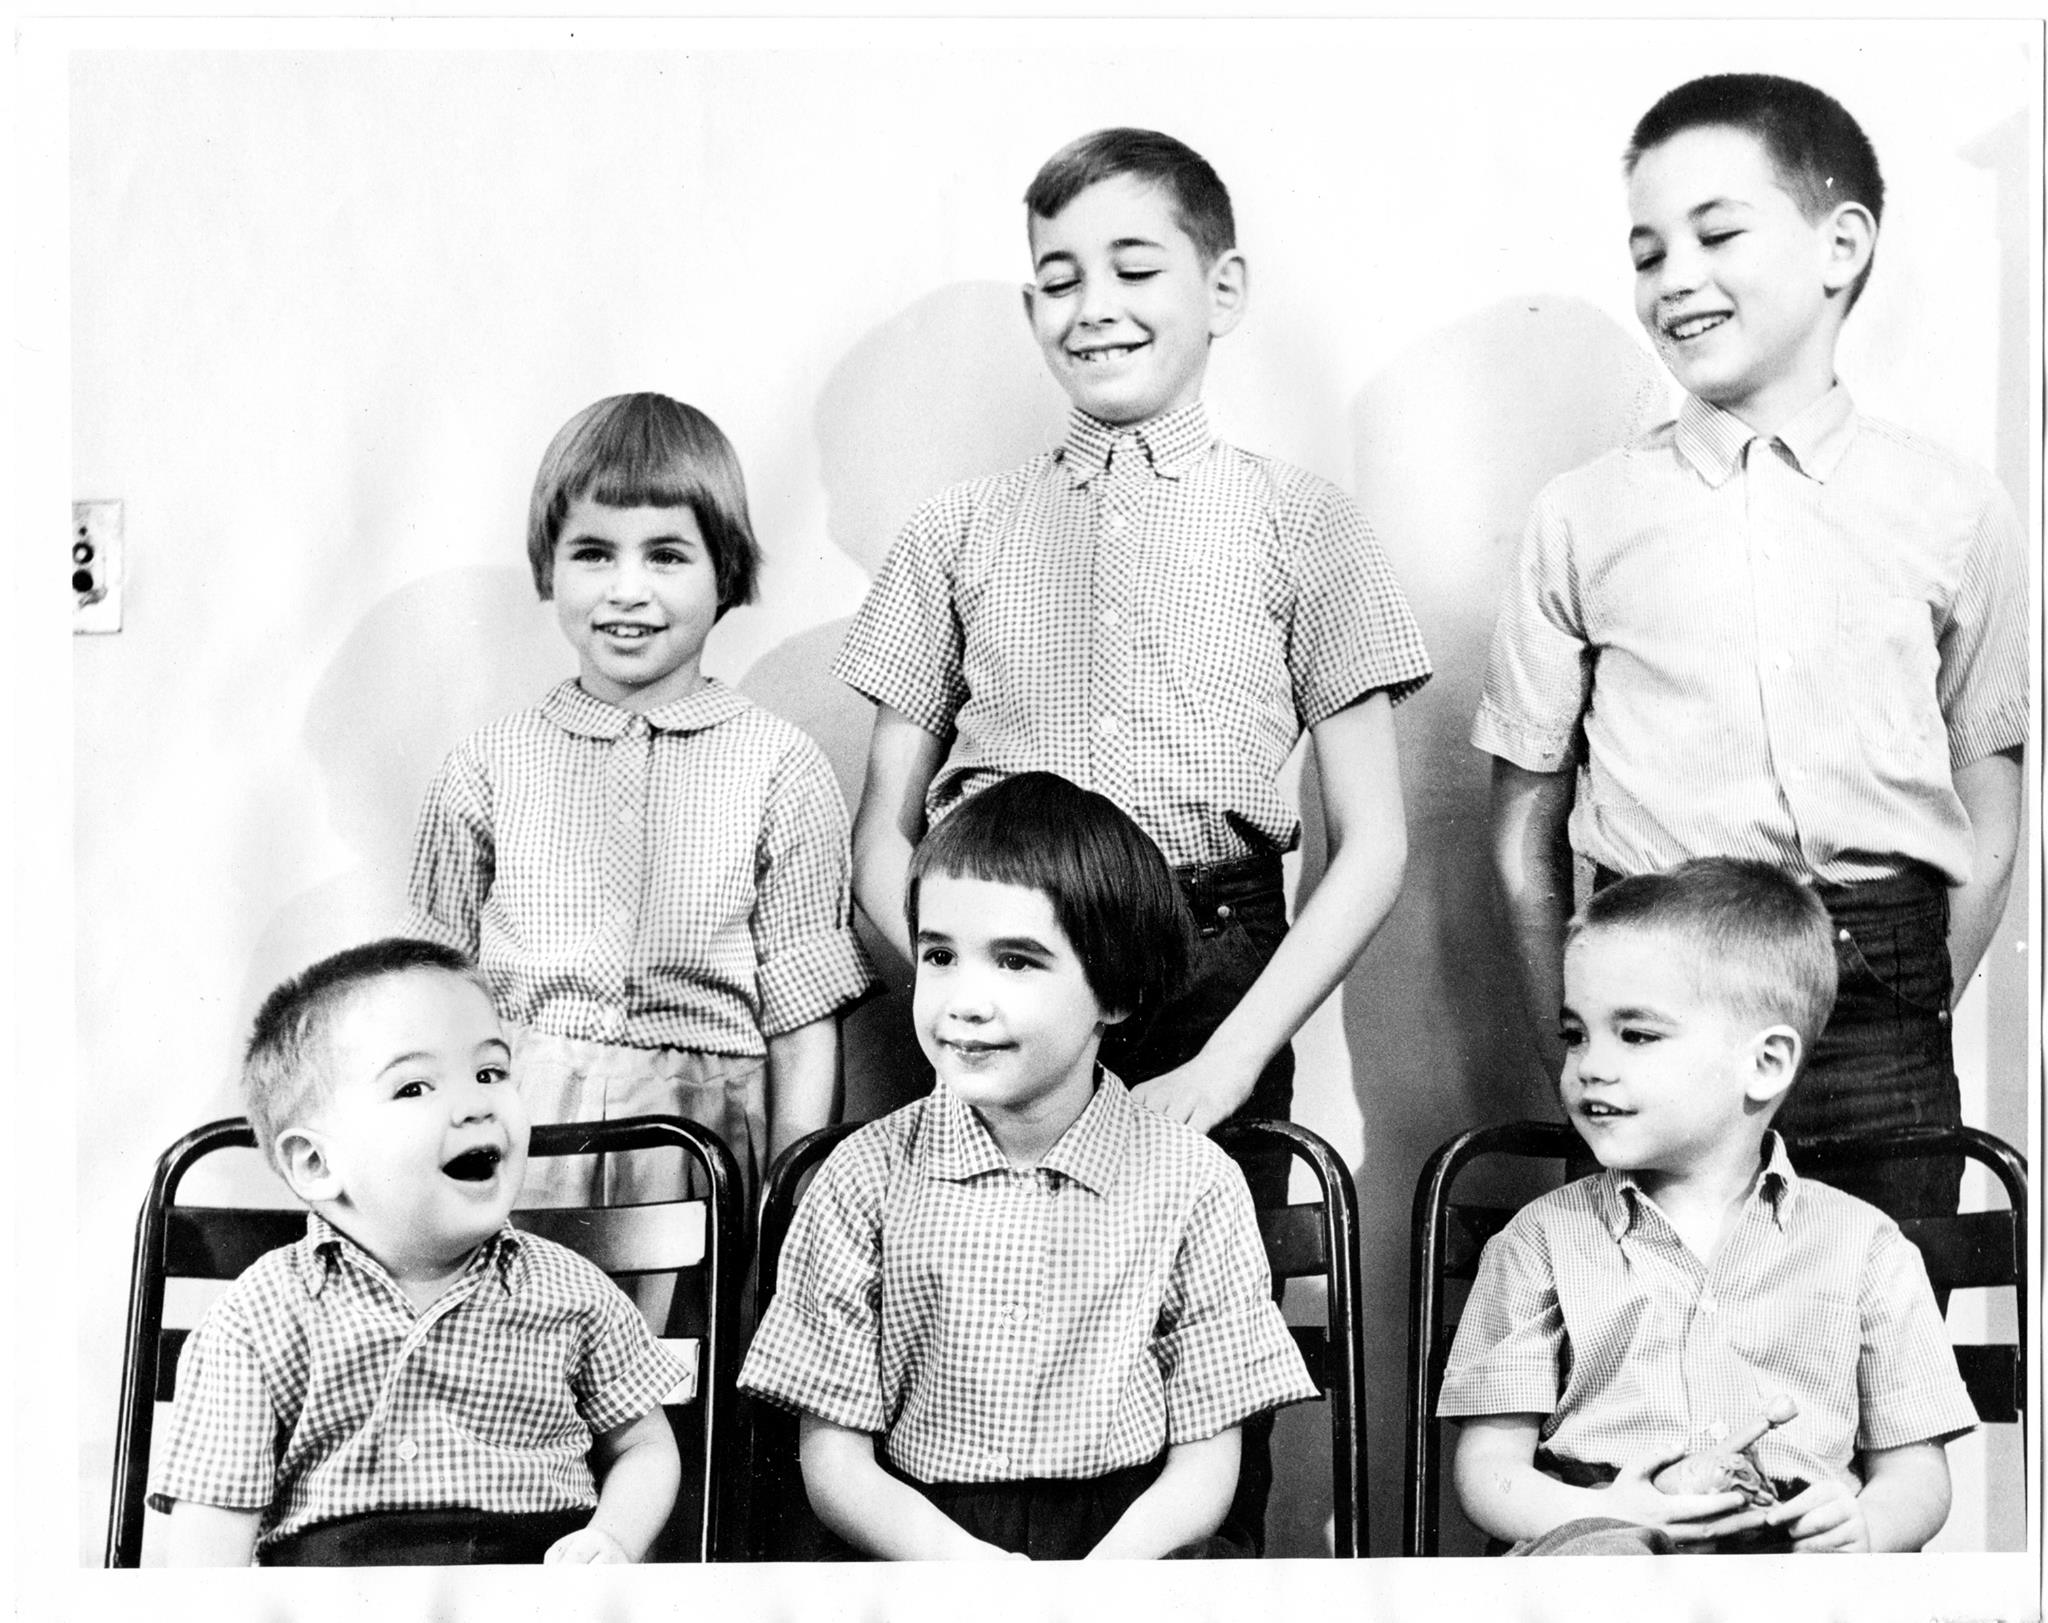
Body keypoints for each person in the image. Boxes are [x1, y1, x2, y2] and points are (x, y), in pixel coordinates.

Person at [1476, 73, 2028, 1224]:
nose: (1672, 276)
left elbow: (1986, 762)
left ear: (1839, 246)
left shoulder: (1950, 506)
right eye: (1644, 251)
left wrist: (1914, 981)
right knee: (1654, 1363)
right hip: (1653, 979)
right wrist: (1570, 1036)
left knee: (1875, 1360)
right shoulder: (1582, 515)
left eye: (1714, 233)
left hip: (1875, 987)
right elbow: (1521, 816)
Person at [738, 773, 1317, 1560]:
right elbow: (834, 1464)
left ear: (1115, 993)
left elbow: (1208, 1466)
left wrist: (1091, 1585)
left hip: (1128, 1548)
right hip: (920, 1548)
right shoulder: (860, 1179)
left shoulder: (1196, 1183)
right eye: (940, 955)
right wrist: (977, 1577)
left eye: (1015, 962)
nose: (965, 1001)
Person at [407, 393, 873, 1207]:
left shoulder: (781, 768)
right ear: (548, 566)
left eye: (666, 555)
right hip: (521, 1137)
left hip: (702, 1151)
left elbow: (804, 1029)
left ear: (724, 569)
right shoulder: (487, 764)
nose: (628, 589)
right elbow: (426, 999)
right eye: (593, 553)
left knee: (686, 1335)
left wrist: (786, 1209)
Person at [1441, 860, 1977, 1557]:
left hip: (1790, 1571)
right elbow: (1487, 1472)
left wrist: (1867, 1524)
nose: (1589, 1064)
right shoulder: (1538, 1242)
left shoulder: (1867, 1248)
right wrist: (1607, 1509)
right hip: (1605, 1556)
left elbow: (1916, 1473)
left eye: (1635, 1034)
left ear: (1764, 1063)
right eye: (1577, 1033)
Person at [150, 939, 687, 1566]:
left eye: (490, 1072)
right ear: (317, 1163)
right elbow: (207, 1549)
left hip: (532, 1590)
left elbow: (645, 1448)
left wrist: (612, 1538)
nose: (477, 1103)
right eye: (414, 1088)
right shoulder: (259, 1319)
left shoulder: (573, 1290)